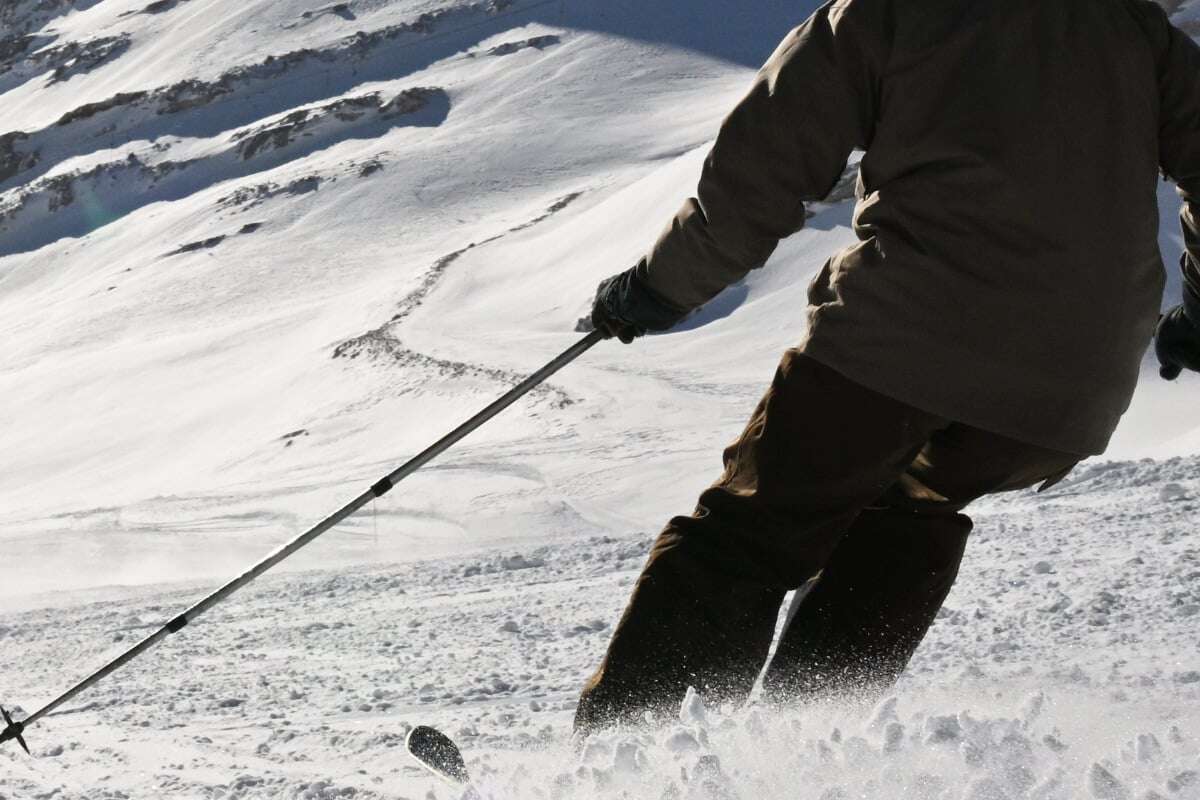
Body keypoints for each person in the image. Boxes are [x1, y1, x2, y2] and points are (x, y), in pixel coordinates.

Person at [576, 0, 1200, 732]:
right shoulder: (1133, 30)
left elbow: (764, 170)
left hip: (901, 342)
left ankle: (629, 762)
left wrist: (655, 288)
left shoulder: (882, 13)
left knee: (750, 537)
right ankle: (800, 757)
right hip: (1070, 383)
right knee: (905, 522)